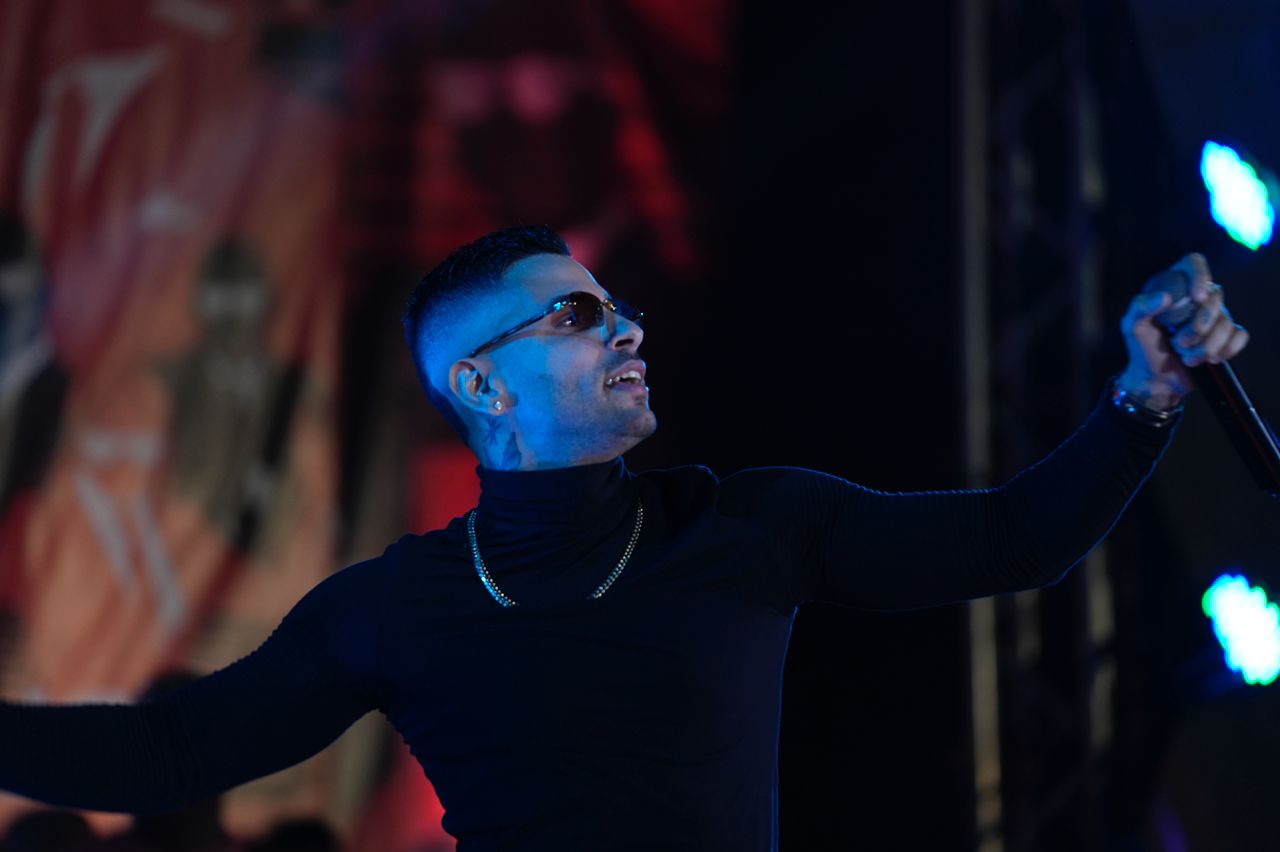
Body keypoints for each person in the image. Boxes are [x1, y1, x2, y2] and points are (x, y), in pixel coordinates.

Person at [0, 226, 1250, 851]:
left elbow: (1012, 540)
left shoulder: (747, 526)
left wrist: (1141, 397)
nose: (626, 329)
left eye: (620, 308)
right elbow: (170, 752)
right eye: (577, 316)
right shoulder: (393, 608)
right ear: (481, 386)